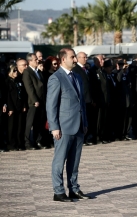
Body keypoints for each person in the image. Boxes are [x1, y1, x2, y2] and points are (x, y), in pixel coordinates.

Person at [46, 48, 91, 202]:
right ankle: (58, 192)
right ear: (63, 59)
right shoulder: (55, 78)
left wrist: (84, 122)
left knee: (74, 161)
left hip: (78, 126)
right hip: (63, 128)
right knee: (60, 161)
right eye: (73, 57)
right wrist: (54, 127)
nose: (75, 60)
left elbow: (81, 103)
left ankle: (74, 189)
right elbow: (51, 105)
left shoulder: (77, 77)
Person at [23, 53, 47, 150]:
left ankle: (38, 141)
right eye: (35, 59)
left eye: (37, 59)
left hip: (41, 100)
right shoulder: (27, 72)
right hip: (33, 102)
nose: (37, 60)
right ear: (29, 61)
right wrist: (35, 100)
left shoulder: (38, 71)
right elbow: (29, 88)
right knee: (30, 122)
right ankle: (27, 142)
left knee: (39, 122)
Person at [72, 52, 95, 146]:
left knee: (88, 119)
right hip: (82, 99)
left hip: (89, 99)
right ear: (78, 58)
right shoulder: (76, 69)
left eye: (86, 57)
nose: (86, 59)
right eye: (84, 57)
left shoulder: (87, 69)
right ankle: (83, 138)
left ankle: (87, 137)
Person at [6, 64, 27, 151]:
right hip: (12, 107)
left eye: (16, 70)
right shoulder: (7, 82)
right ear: (9, 72)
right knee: (12, 127)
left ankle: (20, 144)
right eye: (14, 71)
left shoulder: (19, 81)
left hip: (20, 106)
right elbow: (7, 96)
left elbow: (23, 94)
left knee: (20, 126)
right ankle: (12, 144)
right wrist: (10, 108)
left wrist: (24, 105)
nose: (16, 72)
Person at [116, 59, 132, 141]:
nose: (123, 66)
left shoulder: (126, 74)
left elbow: (129, 83)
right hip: (120, 100)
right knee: (121, 119)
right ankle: (120, 134)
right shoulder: (117, 73)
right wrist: (121, 70)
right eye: (121, 64)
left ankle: (126, 133)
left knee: (127, 118)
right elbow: (118, 80)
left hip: (127, 99)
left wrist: (126, 71)